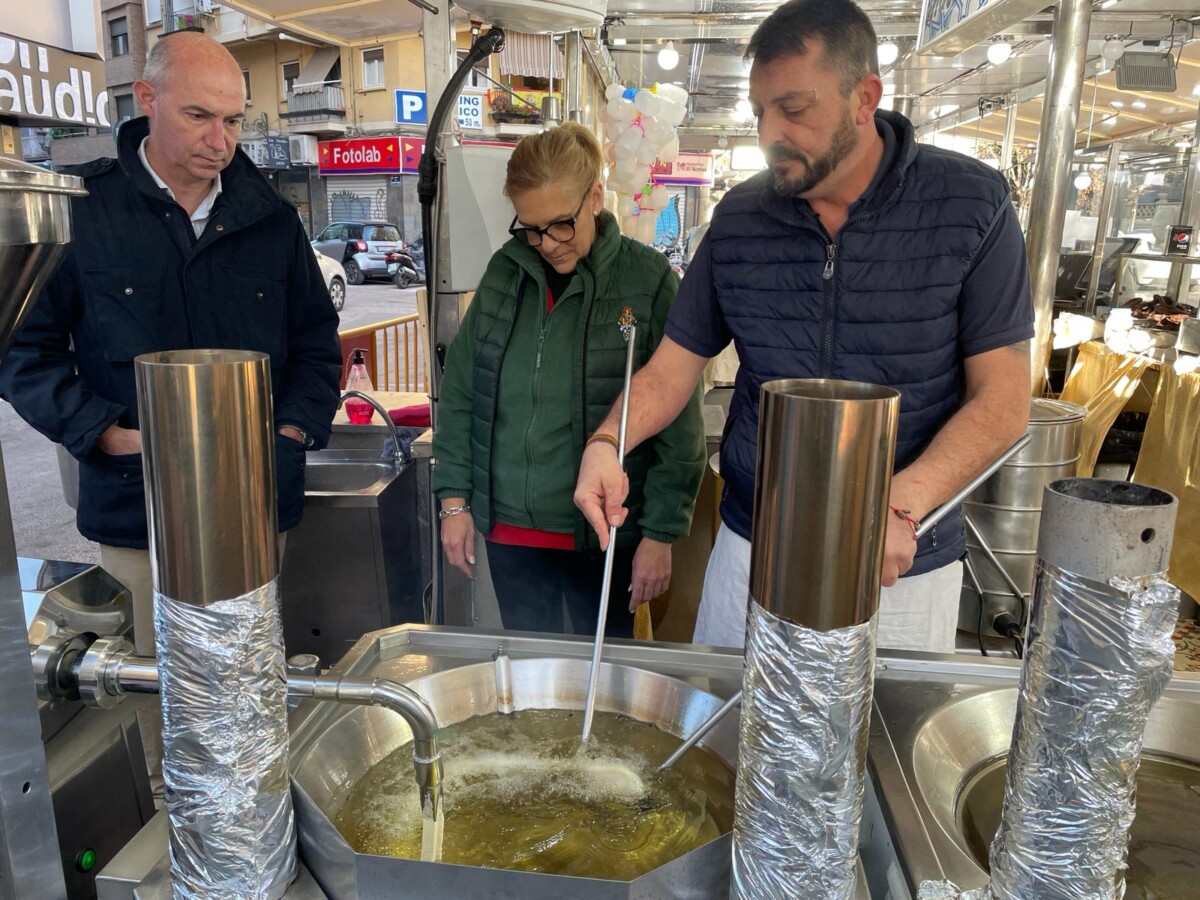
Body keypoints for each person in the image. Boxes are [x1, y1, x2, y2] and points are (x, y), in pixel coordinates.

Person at [574, 0, 1034, 654]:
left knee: (881, 749)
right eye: (761, 112)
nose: (771, 133)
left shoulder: (970, 205)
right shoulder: (739, 219)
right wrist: (606, 442)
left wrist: (903, 505)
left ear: (863, 97)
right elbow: (672, 371)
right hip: (753, 547)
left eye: (794, 109)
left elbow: (1005, 400)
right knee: (729, 738)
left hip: (900, 561)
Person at [0, 30, 342, 659]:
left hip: (256, 508)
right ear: (146, 98)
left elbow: (318, 343)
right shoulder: (84, 210)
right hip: (138, 513)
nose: (221, 140)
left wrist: (291, 433)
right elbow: (22, 351)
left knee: (244, 684)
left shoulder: (272, 219)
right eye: (199, 117)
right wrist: (102, 434)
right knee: (151, 692)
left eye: (234, 120)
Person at [433, 123, 705, 638]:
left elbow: (679, 419)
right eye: (531, 229)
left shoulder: (647, 281)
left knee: (605, 690)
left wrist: (660, 534)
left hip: (605, 536)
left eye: (561, 225)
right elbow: (463, 394)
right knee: (529, 679)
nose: (548, 245)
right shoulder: (504, 274)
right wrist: (454, 501)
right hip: (510, 530)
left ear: (596, 198)